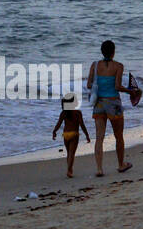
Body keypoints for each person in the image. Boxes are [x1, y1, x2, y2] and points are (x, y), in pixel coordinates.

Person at [88, 40, 138, 176]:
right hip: (113, 103)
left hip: (98, 103)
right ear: (114, 52)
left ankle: (99, 169)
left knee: (99, 137)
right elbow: (117, 87)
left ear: (101, 51)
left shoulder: (95, 65)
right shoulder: (118, 66)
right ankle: (121, 165)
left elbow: (88, 84)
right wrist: (131, 92)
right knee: (118, 136)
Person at [52, 93, 90, 178]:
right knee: (72, 153)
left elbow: (58, 124)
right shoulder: (77, 113)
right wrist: (87, 135)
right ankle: (69, 170)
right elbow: (82, 125)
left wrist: (54, 131)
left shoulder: (63, 113)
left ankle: (70, 169)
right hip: (74, 135)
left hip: (65, 135)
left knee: (69, 153)